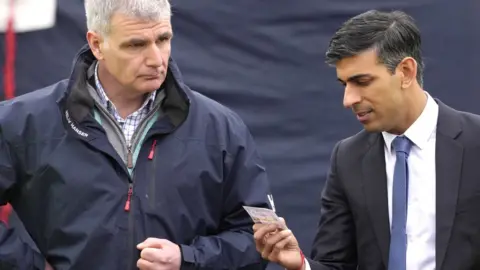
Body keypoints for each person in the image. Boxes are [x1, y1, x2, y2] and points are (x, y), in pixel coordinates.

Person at [0, 0, 274, 269]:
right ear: (97, 44)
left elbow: (260, 238)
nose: (156, 59)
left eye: (163, 39)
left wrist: (187, 259)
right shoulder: (24, 123)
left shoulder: (221, 128)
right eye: (136, 44)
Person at [253, 9, 480, 270]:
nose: (348, 100)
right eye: (344, 85)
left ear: (406, 71)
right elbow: (335, 263)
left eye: (362, 82)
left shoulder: (475, 142)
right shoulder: (347, 158)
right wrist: (302, 265)